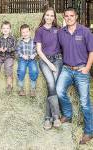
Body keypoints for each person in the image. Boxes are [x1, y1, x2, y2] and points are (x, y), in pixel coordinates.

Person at [56, 7, 93, 144]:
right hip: (66, 69)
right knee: (59, 91)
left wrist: (87, 68)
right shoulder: (61, 32)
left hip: (81, 70)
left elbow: (92, 51)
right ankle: (68, 114)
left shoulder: (85, 31)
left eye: (72, 15)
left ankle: (89, 131)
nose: (69, 18)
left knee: (85, 103)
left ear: (76, 17)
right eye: (67, 16)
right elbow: (56, 49)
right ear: (64, 17)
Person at [34, 7, 62, 130]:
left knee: (52, 87)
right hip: (45, 60)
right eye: (47, 15)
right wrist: (49, 64)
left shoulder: (58, 30)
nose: (49, 17)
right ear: (44, 16)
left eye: (52, 15)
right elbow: (39, 51)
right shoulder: (39, 30)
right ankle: (56, 116)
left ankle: (47, 118)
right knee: (51, 84)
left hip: (58, 59)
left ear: (54, 18)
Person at [0, 21, 16, 93]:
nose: (5, 29)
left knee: (8, 67)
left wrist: (8, 49)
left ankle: (9, 85)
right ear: (1, 30)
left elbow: (15, 47)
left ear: (10, 30)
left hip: (9, 56)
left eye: (7, 28)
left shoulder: (13, 38)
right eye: (4, 28)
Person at [16, 24, 39, 97]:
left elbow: (37, 51)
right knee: (21, 70)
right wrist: (22, 55)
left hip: (32, 59)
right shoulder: (20, 42)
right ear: (21, 33)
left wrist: (34, 55)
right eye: (23, 32)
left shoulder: (34, 41)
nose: (25, 34)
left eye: (26, 32)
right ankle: (21, 88)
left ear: (30, 32)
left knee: (34, 70)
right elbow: (17, 51)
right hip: (23, 59)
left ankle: (33, 89)